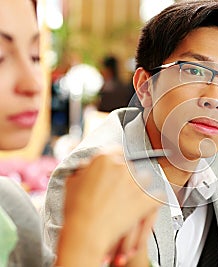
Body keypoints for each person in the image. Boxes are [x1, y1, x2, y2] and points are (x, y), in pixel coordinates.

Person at [44, 1, 218, 266]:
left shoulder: (216, 158)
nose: (216, 98)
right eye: (194, 71)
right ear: (145, 87)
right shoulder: (93, 175)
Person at [0, 0, 161, 266]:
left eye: (34, 56)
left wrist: (131, 250)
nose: (32, 83)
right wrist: (83, 237)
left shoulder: (12, 208)